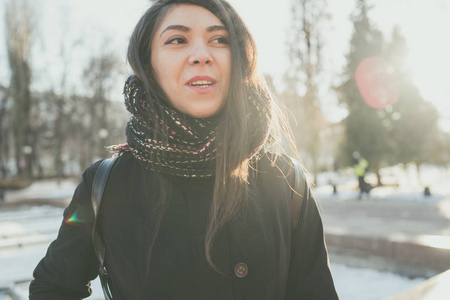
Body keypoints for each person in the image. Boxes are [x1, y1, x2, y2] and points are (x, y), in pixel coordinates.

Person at [29, 0, 339, 299]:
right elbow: (52, 287)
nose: (201, 55)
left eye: (219, 39)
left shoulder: (287, 181)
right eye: (177, 40)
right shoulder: (103, 186)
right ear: (149, 65)